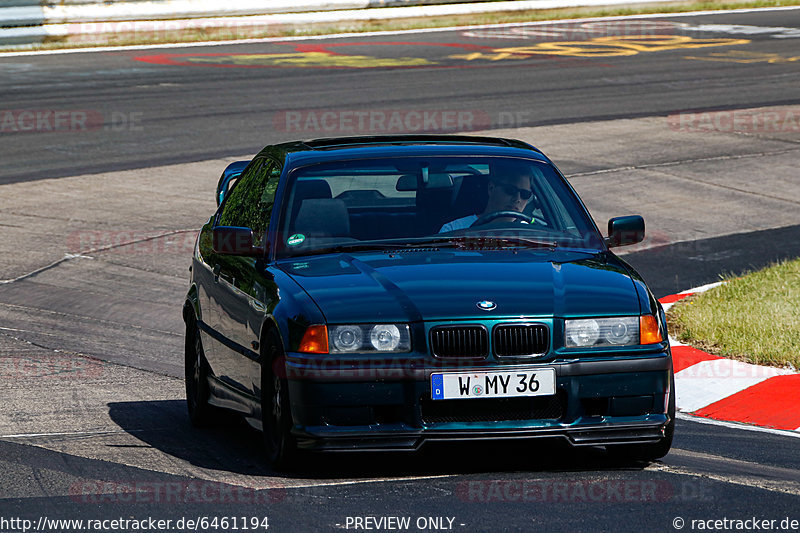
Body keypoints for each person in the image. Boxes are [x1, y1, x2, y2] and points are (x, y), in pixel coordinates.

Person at [438, 167, 535, 233]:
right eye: (510, 190)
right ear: (491, 188)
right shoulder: (453, 230)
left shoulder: (531, 233)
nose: (517, 199)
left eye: (525, 194)